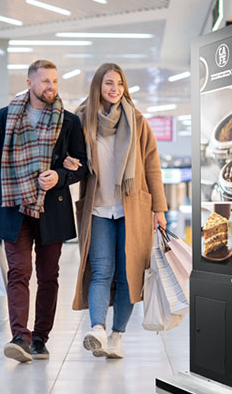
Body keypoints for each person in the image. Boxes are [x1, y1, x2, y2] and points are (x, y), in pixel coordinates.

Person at [0, 59, 88, 363]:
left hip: (51, 207)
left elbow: (82, 166)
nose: (51, 87)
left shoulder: (69, 121)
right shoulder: (4, 117)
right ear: (29, 83)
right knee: (19, 272)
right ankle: (19, 337)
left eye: (54, 81)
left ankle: (40, 338)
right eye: (44, 81)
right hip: (13, 206)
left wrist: (59, 177)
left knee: (49, 275)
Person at [63, 63, 168, 359]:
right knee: (100, 271)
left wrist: (159, 208)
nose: (115, 89)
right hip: (97, 210)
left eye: (119, 84)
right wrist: (69, 164)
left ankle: (117, 335)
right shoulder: (81, 120)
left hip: (132, 209)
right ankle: (97, 329)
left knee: (128, 274)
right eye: (109, 83)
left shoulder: (136, 120)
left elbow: (151, 167)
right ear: (98, 86)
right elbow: (71, 159)